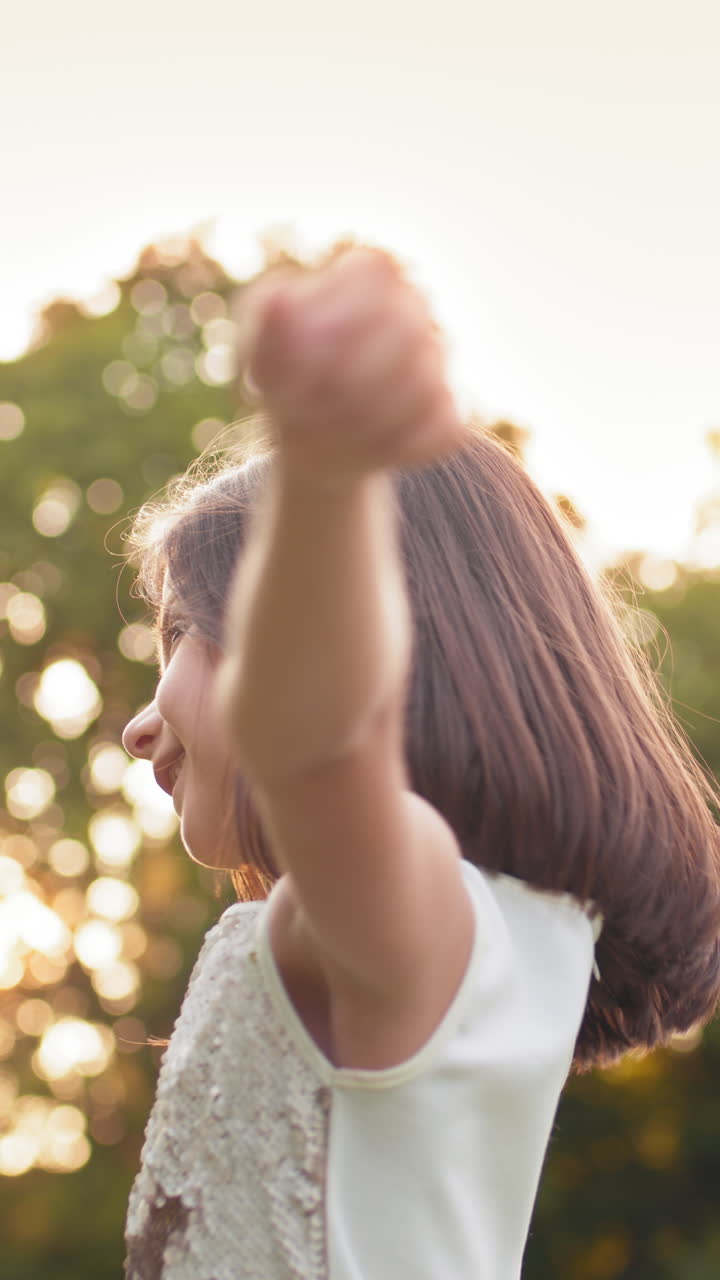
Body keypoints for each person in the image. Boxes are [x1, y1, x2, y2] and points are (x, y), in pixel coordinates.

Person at [121, 244, 720, 1280]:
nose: (137, 725)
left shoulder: (418, 918)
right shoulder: (479, 937)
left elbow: (311, 742)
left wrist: (321, 471)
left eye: (180, 632)